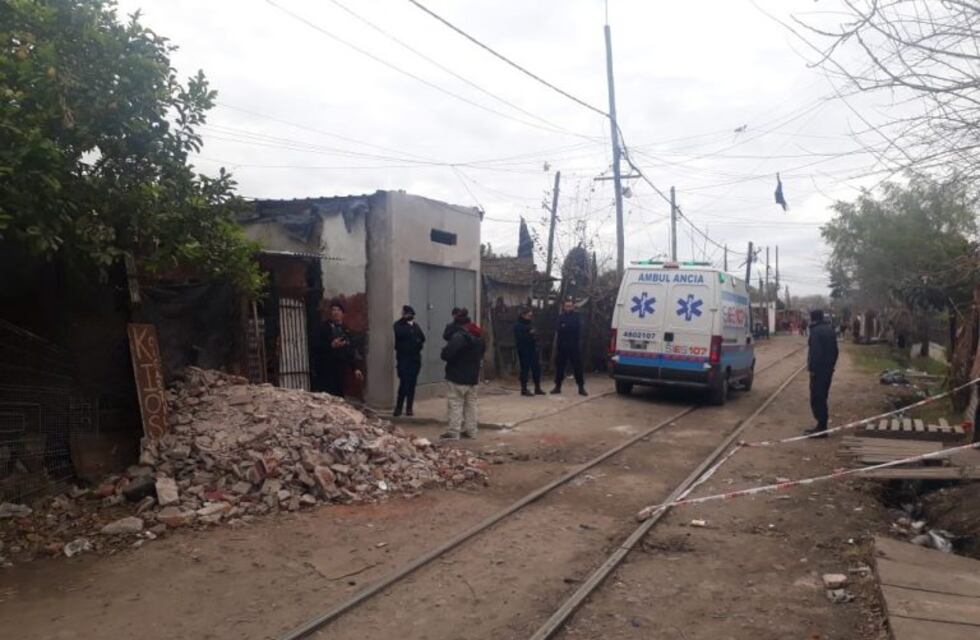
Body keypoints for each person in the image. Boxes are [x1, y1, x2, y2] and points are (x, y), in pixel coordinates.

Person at [440, 308, 485, 440]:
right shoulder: (479, 338)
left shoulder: (458, 337)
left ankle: (454, 432)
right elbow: (481, 354)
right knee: (471, 405)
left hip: (457, 376)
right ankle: (471, 431)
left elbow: (447, 354)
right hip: (473, 377)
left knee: (455, 404)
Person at [804, 308, 838, 438]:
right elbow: (836, 351)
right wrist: (831, 366)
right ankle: (821, 425)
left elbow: (815, 353)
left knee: (817, 397)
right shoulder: (830, 329)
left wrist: (813, 369)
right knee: (823, 396)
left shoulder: (815, 331)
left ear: (813, 318)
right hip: (828, 370)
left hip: (819, 371)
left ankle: (821, 427)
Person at [318, 300, 363, 398]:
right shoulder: (323, 328)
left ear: (343, 314)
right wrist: (331, 345)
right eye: (333, 310)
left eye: (338, 310)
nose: (335, 312)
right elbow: (317, 346)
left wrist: (355, 368)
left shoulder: (346, 330)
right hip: (326, 369)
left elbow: (349, 351)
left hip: (341, 370)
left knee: (339, 396)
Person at [393, 305, 425, 416]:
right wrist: (405, 322)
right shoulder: (399, 325)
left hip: (414, 360)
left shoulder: (416, 326)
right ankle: (398, 408)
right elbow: (400, 333)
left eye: (408, 314)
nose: (406, 316)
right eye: (404, 314)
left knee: (412, 384)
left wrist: (417, 342)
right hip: (403, 360)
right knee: (403, 384)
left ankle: (409, 408)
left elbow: (422, 338)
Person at [551, 298, 587, 396]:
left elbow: (577, 328)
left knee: (577, 368)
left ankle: (581, 387)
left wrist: (565, 326)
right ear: (564, 307)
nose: (568, 308)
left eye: (570, 306)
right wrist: (565, 327)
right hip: (562, 346)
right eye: (566, 306)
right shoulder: (560, 317)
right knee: (560, 368)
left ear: (573, 307)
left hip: (574, 346)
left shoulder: (577, 317)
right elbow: (558, 328)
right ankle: (557, 386)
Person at [514, 307, 545, 397]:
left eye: (531, 315)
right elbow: (520, 338)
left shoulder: (531, 324)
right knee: (525, 369)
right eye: (529, 315)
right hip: (524, 350)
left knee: (536, 368)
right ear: (523, 315)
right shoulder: (518, 325)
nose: (530, 317)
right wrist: (530, 334)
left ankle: (537, 388)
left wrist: (535, 336)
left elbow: (536, 335)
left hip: (533, 349)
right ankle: (524, 389)